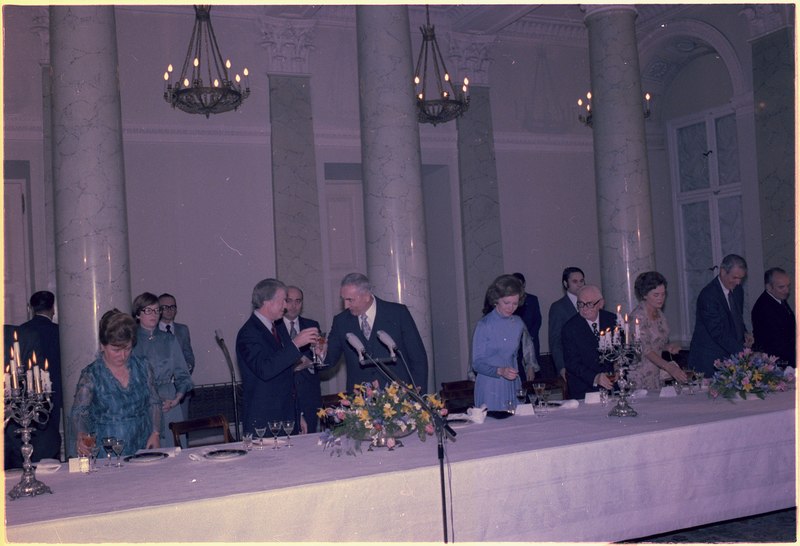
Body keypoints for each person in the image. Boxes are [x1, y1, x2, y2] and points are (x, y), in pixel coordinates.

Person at [70, 309, 161, 457]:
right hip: (107, 448)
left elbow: (154, 402)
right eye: (116, 350)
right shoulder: (91, 374)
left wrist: (155, 432)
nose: (123, 355)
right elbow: (80, 412)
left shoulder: (143, 366)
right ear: (102, 346)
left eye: (127, 348)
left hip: (142, 443)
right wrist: (81, 433)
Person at [236, 278, 319, 436]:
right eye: (284, 301)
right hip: (264, 422)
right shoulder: (249, 333)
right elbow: (265, 369)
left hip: (285, 417)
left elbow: (286, 376)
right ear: (268, 302)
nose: (287, 306)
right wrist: (295, 344)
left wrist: (298, 414)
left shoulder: (274, 328)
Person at [324, 272, 428, 392]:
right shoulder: (341, 321)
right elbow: (329, 360)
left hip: (399, 398)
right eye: (343, 300)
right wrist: (321, 354)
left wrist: (419, 395)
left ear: (367, 296)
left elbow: (418, 358)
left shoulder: (398, 313)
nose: (346, 305)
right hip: (360, 401)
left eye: (350, 300)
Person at [5, 291, 63, 467]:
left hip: (22, 419)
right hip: (48, 396)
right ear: (52, 308)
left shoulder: (22, 334)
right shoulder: (55, 332)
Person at [131, 292, 193, 447]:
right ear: (138, 314)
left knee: (175, 450)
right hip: (143, 403)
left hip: (169, 402)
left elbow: (183, 374)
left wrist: (176, 399)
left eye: (157, 310)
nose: (154, 314)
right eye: (148, 310)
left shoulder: (169, 339)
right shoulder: (131, 340)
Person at [472, 274, 538, 411]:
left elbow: (516, 354)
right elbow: (476, 363)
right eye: (506, 303)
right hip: (490, 384)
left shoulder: (518, 323)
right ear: (496, 300)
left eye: (515, 303)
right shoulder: (484, 325)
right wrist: (500, 371)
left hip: (512, 383)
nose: (511, 308)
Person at [688, 254, 753, 378]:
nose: (738, 282)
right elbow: (718, 332)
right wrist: (744, 353)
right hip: (709, 360)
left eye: (741, 278)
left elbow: (736, 317)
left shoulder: (738, 290)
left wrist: (745, 333)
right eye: (734, 277)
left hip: (731, 356)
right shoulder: (708, 295)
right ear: (723, 272)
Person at [627, 272, 688, 390]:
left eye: (663, 294)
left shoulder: (659, 313)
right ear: (644, 295)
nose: (661, 299)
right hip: (641, 375)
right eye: (656, 295)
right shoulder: (638, 317)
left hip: (657, 373)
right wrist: (669, 367)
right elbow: (645, 349)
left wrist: (668, 347)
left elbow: (656, 343)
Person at [280, 285, 322, 434]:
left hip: (308, 397)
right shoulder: (274, 328)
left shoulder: (312, 325)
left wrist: (311, 363)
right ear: (283, 302)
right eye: (289, 301)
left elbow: (321, 362)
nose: (293, 306)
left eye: (298, 301)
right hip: (284, 397)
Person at [562, 285, 616, 400]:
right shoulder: (570, 328)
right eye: (580, 304)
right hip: (585, 390)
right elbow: (572, 363)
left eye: (589, 304)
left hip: (612, 387)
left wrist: (618, 366)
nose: (584, 308)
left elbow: (621, 351)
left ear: (600, 304)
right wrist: (595, 378)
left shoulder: (612, 320)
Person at [158, 293, 195, 420]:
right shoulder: (154, 332)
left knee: (182, 426)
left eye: (172, 307)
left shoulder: (183, 329)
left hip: (180, 387)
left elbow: (189, 355)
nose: (169, 310)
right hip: (161, 388)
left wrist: (185, 369)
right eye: (165, 307)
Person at [751, 267, 795, 367]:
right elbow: (777, 342)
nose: (787, 290)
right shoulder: (764, 308)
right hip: (777, 363)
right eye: (781, 287)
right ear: (769, 287)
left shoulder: (778, 297)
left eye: (788, 286)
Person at [548, 267, 585, 379]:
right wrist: (561, 367)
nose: (579, 284)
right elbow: (555, 340)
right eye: (575, 281)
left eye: (581, 281)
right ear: (565, 283)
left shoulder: (590, 303)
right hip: (570, 365)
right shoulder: (558, 307)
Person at [511, 272, 542, 377]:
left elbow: (537, 320)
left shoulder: (532, 299)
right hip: (516, 343)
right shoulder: (511, 302)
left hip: (531, 340)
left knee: (533, 373)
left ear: (524, 284)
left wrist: (529, 336)